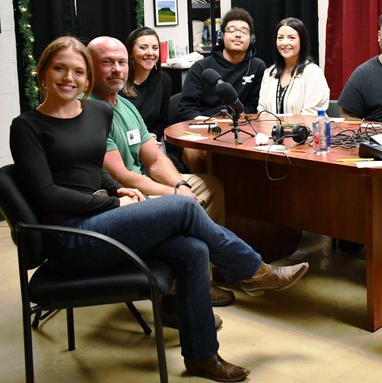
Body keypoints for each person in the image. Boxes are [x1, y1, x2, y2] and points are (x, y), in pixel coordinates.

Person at [9, 36, 310, 382]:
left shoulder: (98, 112)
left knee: (193, 249)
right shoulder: (27, 127)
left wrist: (114, 187)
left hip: (104, 223)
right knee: (182, 208)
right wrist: (113, 200)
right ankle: (254, 270)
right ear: (42, 72)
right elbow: (47, 195)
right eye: (59, 68)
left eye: (77, 71)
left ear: (86, 78)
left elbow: (94, 169)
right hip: (70, 239)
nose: (68, 78)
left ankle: (202, 357)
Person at [88, 35, 235, 309]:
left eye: (120, 63)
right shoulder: (92, 112)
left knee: (210, 186)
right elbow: (122, 177)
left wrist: (180, 185)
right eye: (106, 63)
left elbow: (155, 159)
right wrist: (174, 195)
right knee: (183, 207)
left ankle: (205, 277)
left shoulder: (126, 104)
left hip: (146, 179)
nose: (116, 69)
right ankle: (178, 290)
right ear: (90, 67)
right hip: (125, 195)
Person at [178, 7, 266, 171]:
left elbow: (253, 107)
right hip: (204, 131)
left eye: (244, 31)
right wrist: (213, 122)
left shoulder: (257, 67)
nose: (238, 34)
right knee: (198, 156)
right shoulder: (201, 67)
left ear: (251, 38)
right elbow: (186, 109)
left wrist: (233, 122)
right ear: (221, 36)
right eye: (231, 30)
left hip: (240, 129)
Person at [257, 17, 330, 115]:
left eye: (291, 38)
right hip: (270, 129)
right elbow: (262, 111)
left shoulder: (313, 73)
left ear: (302, 41)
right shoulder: (269, 73)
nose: (284, 43)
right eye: (280, 38)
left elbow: (311, 115)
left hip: (305, 130)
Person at [120, 26, 172, 142]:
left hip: (153, 141)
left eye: (155, 48)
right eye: (143, 48)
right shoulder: (119, 81)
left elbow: (161, 122)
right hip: (125, 143)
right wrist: (142, 140)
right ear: (130, 52)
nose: (150, 53)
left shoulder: (163, 80)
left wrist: (153, 135)